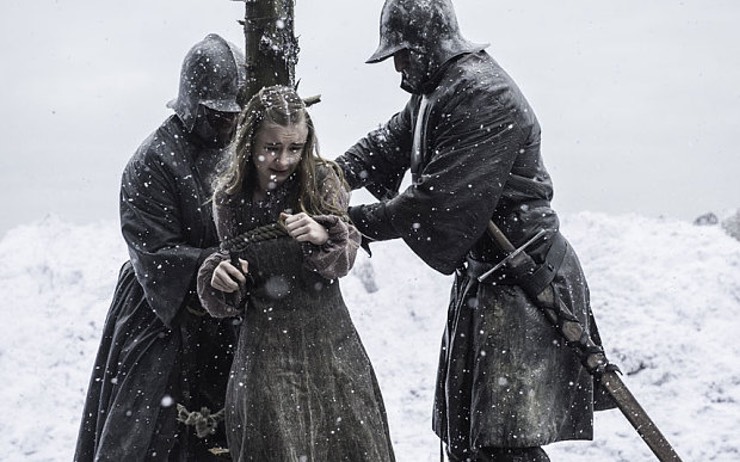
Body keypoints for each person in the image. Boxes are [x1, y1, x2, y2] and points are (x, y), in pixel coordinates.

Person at [335, 1, 616, 461]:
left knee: (504, 448)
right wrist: (326, 179)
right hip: (487, 281)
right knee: (467, 441)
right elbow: (383, 146)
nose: (398, 67)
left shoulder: (484, 95)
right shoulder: (435, 92)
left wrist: (349, 222)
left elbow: (433, 203)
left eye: (403, 54)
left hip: (525, 284)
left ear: (429, 46)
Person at [195, 85, 396, 462]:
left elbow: (344, 259)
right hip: (265, 359)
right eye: (272, 148)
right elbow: (232, 285)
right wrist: (222, 278)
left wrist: (326, 235)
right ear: (250, 142)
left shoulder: (321, 181)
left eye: (295, 148)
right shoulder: (230, 198)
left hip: (332, 353)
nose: (283, 160)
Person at [75, 33, 246, 461]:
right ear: (192, 106)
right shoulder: (152, 162)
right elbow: (156, 254)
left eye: (233, 116)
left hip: (228, 316)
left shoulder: (241, 150)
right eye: (217, 116)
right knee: (145, 439)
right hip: (161, 313)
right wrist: (210, 266)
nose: (227, 126)